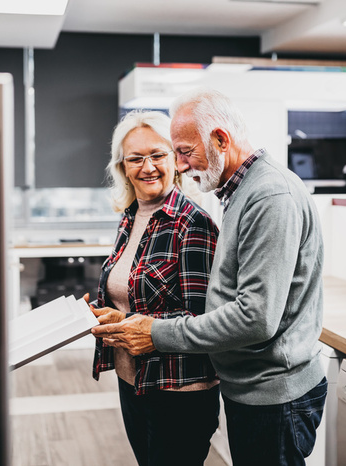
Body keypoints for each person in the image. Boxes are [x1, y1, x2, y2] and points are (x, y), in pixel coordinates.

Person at [92, 89, 327, 466]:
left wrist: (153, 332)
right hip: (251, 388)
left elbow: (255, 317)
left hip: (274, 393)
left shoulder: (269, 196)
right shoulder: (238, 193)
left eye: (181, 152)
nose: (180, 165)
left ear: (221, 139)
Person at [84, 109, 220, 466]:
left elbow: (202, 318)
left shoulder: (193, 224)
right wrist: (102, 314)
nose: (147, 167)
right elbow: (128, 294)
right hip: (134, 381)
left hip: (178, 391)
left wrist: (131, 321)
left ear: (176, 160)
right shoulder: (130, 217)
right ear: (122, 167)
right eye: (135, 158)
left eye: (157, 155)